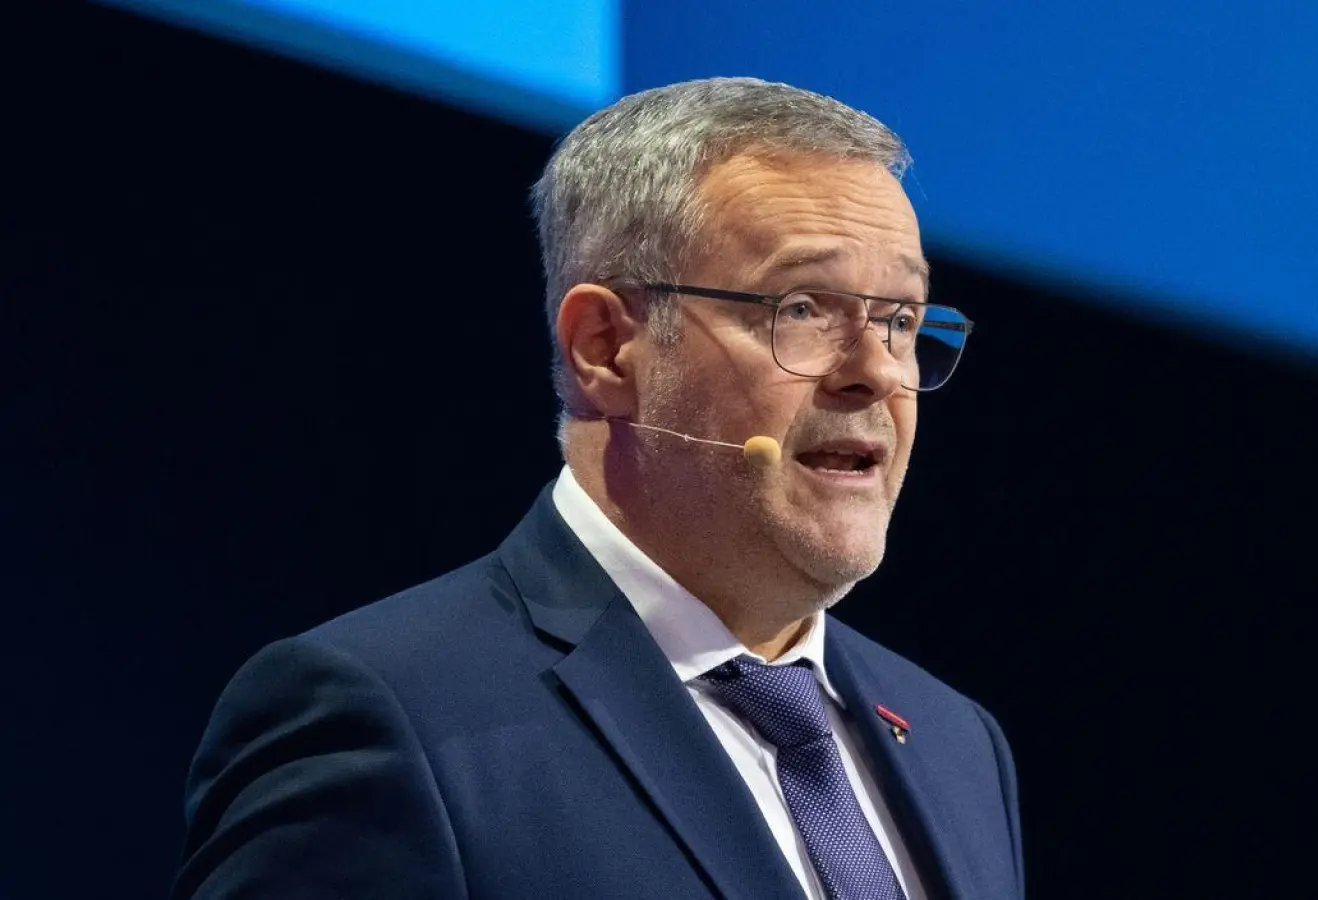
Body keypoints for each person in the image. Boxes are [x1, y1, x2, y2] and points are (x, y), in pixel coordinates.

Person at [173, 76, 1022, 900]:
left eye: (902, 320)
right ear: (606, 347)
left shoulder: (954, 743)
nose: (876, 374)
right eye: (801, 307)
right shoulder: (388, 717)